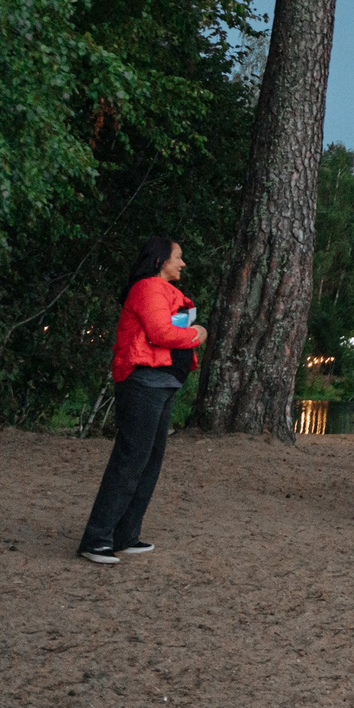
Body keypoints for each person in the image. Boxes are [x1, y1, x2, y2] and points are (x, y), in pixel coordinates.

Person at [78, 235, 206, 564]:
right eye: (178, 257)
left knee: (149, 461)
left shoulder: (165, 291)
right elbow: (160, 333)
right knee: (131, 460)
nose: (183, 263)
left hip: (162, 384)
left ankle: (125, 535)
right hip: (143, 383)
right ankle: (96, 539)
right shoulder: (148, 288)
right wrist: (197, 334)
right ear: (161, 260)